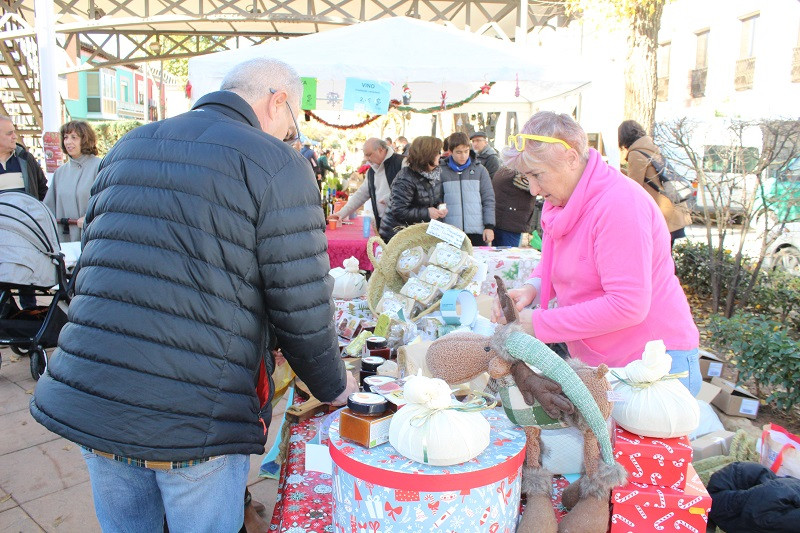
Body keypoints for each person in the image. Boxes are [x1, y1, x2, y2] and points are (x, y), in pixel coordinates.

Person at [30, 57, 358, 532]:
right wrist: (333, 385)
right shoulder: (277, 164)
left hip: (95, 390)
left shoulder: (130, 144)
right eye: (292, 119)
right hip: (194, 410)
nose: (291, 132)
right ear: (277, 100)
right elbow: (301, 303)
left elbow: (94, 262)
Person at [493, 111, 701, 395]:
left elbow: (627, 305)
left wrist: (537, 323)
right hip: (608, 362)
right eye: (527, 177)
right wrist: (533, 287)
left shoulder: (619, 205)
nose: (533, 189)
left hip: (651, 367)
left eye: (537, 175)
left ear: (571, 159)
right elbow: (561, 260)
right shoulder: (566, 198)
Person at [618, 119, 691, 248]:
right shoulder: (650, 148)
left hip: (664, 214)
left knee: (659, 262)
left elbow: (634, 187)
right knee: (665, 258)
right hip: (674, 210)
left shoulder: (636, 153)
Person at [1, 115, 48, 309]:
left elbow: (42, 188)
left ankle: (30, 314)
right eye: (9, 133)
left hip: (24, 232)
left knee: (26, 275)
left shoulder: (24, 159)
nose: (15, 136)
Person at [379, 136, 447, 242]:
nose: (440, 154)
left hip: (417, 233)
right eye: (438, 152)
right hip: (398, 235)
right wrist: (427, 212)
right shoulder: (405, 177)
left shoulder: (436, 174)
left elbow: (435, 199)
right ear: (428, 154)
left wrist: (440, 208)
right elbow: (399, 211)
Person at [43, 121, 101, 242]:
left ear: (85, 140)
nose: (68, 142)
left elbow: (107, 202)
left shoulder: (100, 167)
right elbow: (49, 207)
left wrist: (89, 218)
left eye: (74, 137)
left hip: (92, 239)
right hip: (65, 240)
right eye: (66, 137)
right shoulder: (60, 172)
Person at [329, 138, 403, 230]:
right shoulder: (371, 172)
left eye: (369, 155)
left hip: (402, 224)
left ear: (380, 150)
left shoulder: (401, 163)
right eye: (365, 155)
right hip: (383, 224)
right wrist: (341, 213)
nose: (366, 159)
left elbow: (410, 190)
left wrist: (388, 198)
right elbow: (360, 195)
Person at [440, 131, 495, 246]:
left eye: (466, 151)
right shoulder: (441, 171)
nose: (463, 156)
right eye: (458, 152)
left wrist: (489, 226)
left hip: (476, 231)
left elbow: (488, 199)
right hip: (450, 232)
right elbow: (437, 199)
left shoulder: (480, 170)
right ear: (450, 152)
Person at [492, 166, 537, 247]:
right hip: (510, 223)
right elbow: (538, 188)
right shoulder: (521, 173)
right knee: (508, 255)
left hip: (502, 219)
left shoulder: (505, 169)